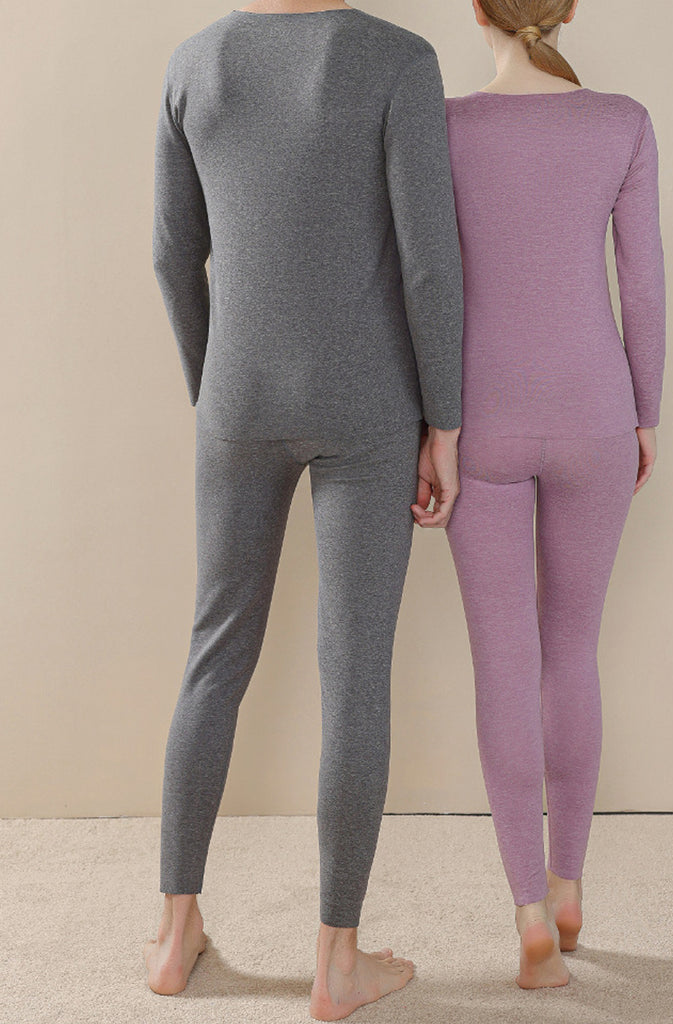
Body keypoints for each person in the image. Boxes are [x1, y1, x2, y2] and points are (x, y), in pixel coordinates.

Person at [145, 2, 464, 1019]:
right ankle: (337, 961)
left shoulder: (195, 63)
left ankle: (172, 935)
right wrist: (446, 421)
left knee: (214, 651)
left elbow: (172, 254)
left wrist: (214, 392)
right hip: (369, 405)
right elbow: (428, 258)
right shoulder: (398, 59)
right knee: (354, 671)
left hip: (237, 399)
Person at [443, 0, 666, 990]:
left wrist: (430, 425)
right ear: (568, 8)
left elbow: (426, 283)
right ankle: (571, 886)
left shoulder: (445, 127)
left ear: (477, 10)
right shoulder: (622, 122)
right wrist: (645, 411)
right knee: (572, 647)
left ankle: (529, 918)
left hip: (479, 417)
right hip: (596, 412)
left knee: (503, 660)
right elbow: (643, 283)